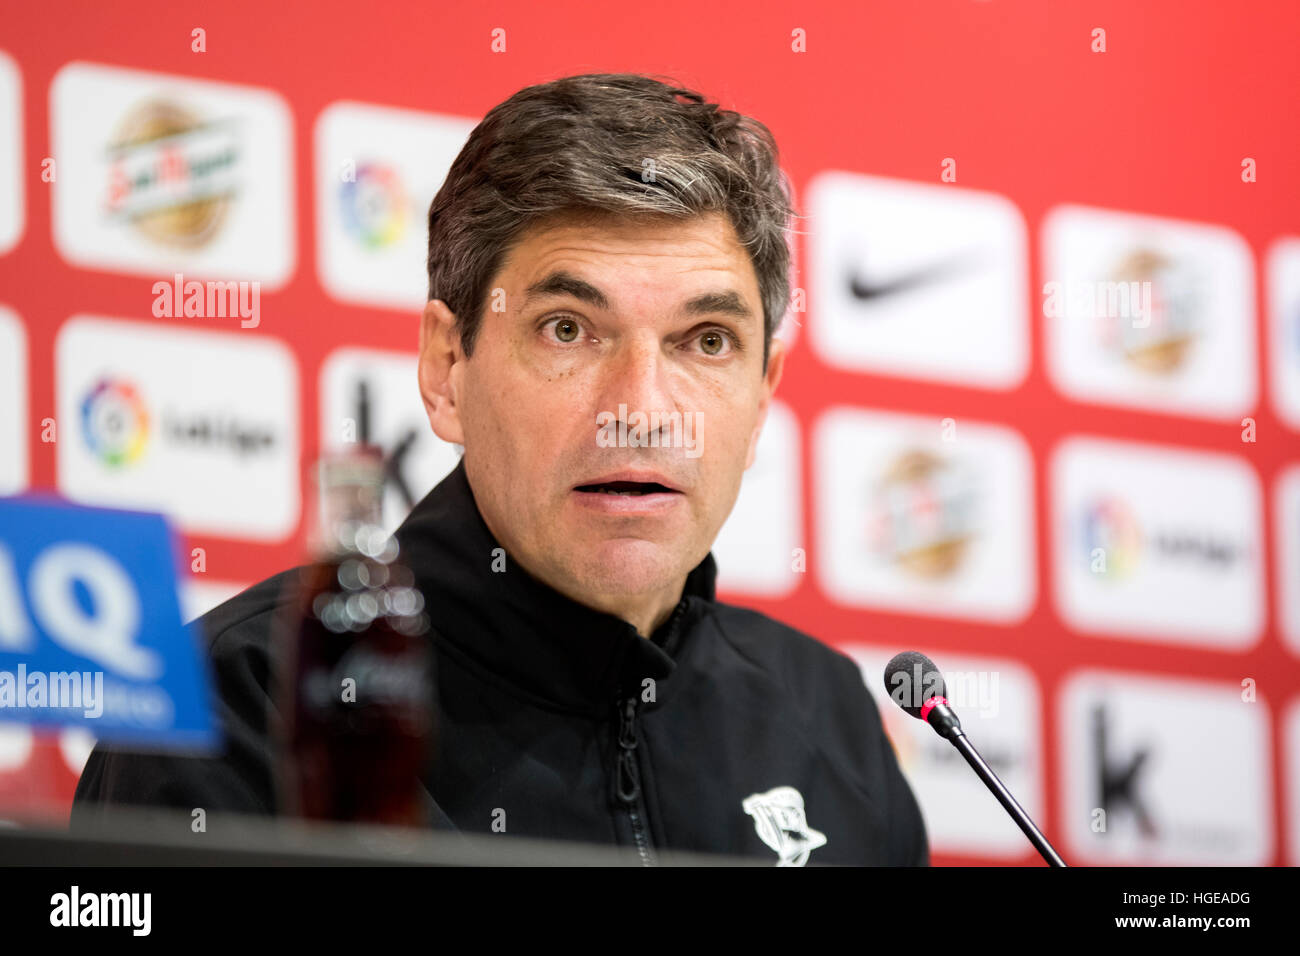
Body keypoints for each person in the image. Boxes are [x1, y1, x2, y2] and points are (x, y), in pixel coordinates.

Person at [72, 72, 929, 866]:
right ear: (448, 367)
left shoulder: (830, 719)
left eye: (706, 342)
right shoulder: (236, 706)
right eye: (567, 328)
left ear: (763, 394)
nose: (641, 407)